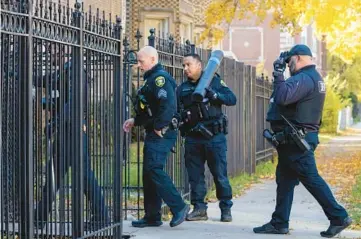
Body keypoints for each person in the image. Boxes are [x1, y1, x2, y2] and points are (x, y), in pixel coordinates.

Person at [253, 44, 352, 237]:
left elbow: (282, 97)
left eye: (289, 62)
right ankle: (279, 222)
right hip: (293, 140)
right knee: (285, 180)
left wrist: (278, 74)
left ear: (298, 58)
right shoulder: (310, 78)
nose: (288, 66)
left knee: (311, 179)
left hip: (297, 141)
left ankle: (339, 216)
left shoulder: (305, 78)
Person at [34, 55, 110, 231]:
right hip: (65, 133)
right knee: (55, 176)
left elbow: (74, 103)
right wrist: (13, 73)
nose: (49, 52)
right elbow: (42, 80)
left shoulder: (76, 72)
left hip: (73, 132)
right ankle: (39, 218)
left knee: (83, 177)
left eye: (53, 48)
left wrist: (55, 122)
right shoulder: (64, 71)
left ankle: (101, 217)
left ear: (64, 50)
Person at [123, 46, 190, 228]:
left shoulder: (160, 79)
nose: (138, 64)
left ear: (153, 59)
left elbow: (168, 106)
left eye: (141, 61)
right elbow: (150, 109)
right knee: (148, 173)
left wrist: (160, 127)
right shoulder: (150, 80)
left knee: (153, 169)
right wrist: (135, 120)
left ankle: (179, 206)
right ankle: (152, 216)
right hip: (155, 130)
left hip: (162, 132)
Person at [177, 53, 236, 222]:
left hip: (214, 138)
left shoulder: (214, 81)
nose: (185, 68)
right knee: (195, 176)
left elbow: (232, 99)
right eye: (183, 65)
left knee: (220, 174)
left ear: (199, 65)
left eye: (188, 64)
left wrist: (214, 96)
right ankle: (199, 209)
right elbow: (177, 112)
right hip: (193, 138)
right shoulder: (182, 89)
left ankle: (226, 208)